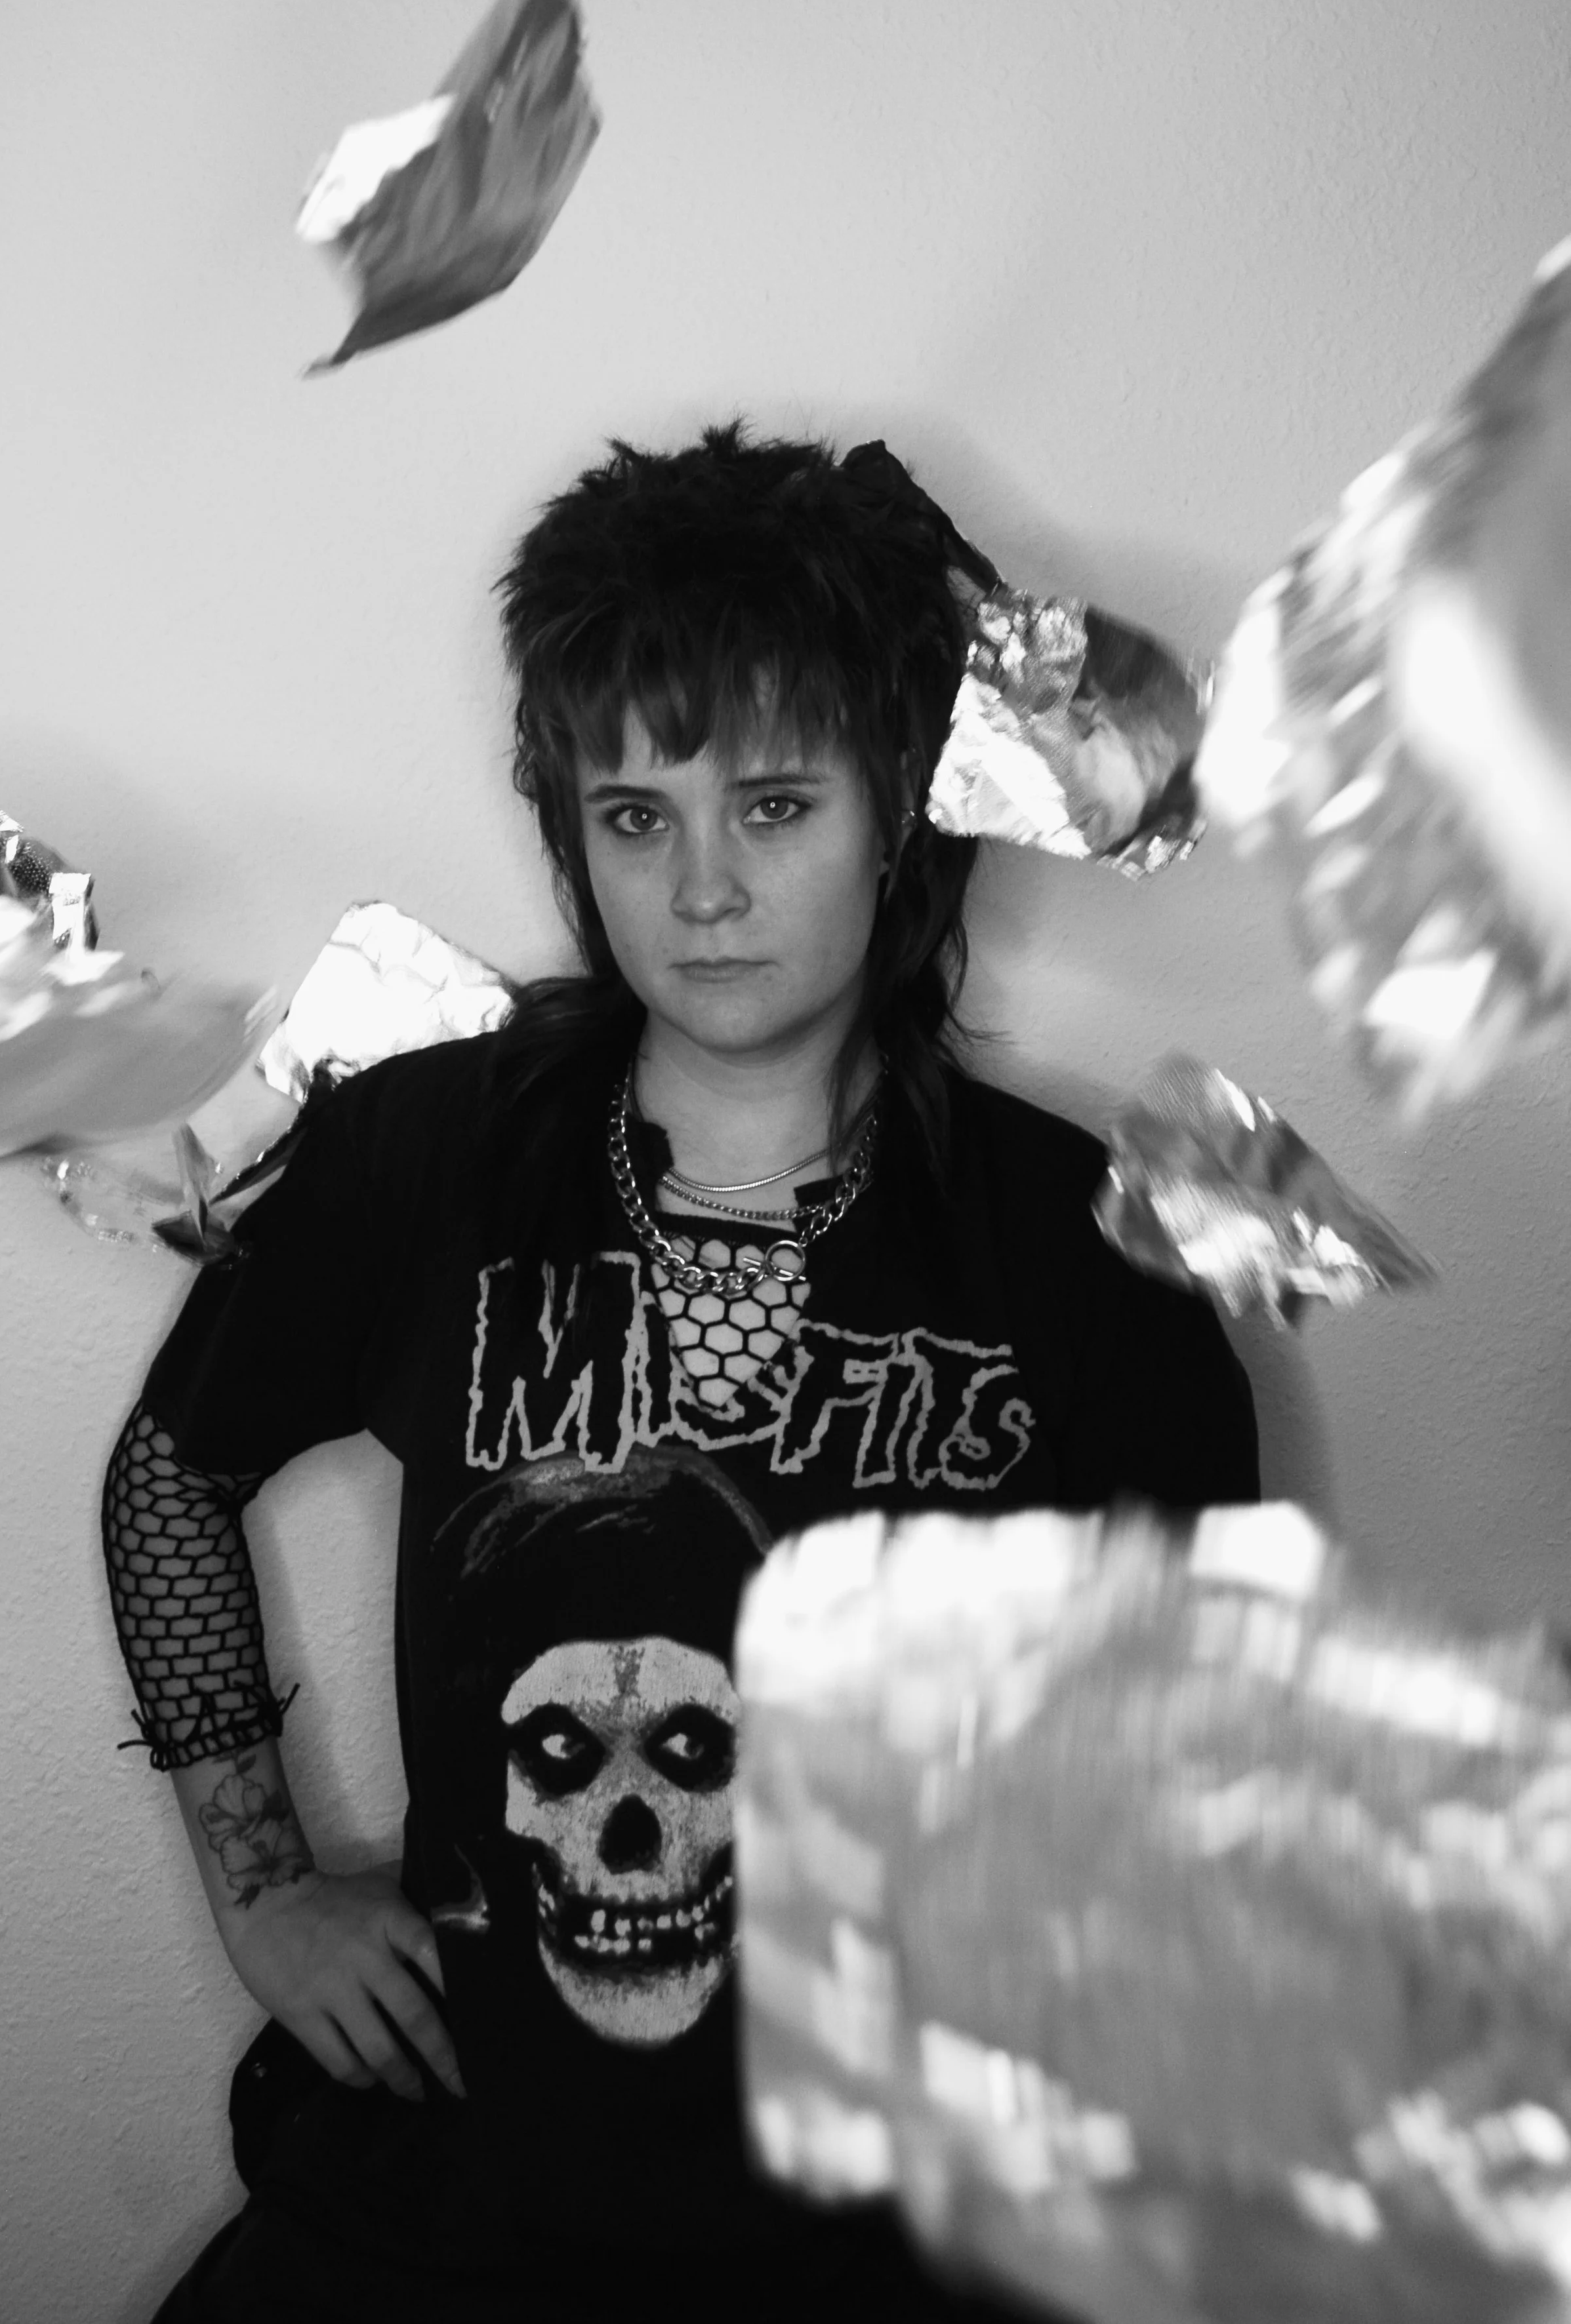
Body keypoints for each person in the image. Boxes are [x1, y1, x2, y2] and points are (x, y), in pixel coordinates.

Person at [104, 424, 1259, 2321]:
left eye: (774, 806)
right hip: (458, 2180)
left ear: (899, 813)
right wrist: (263, 1891)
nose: (702, 890)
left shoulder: (1088, 1246)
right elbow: (174, 1472)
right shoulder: (430, 1155)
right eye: (636, 817)